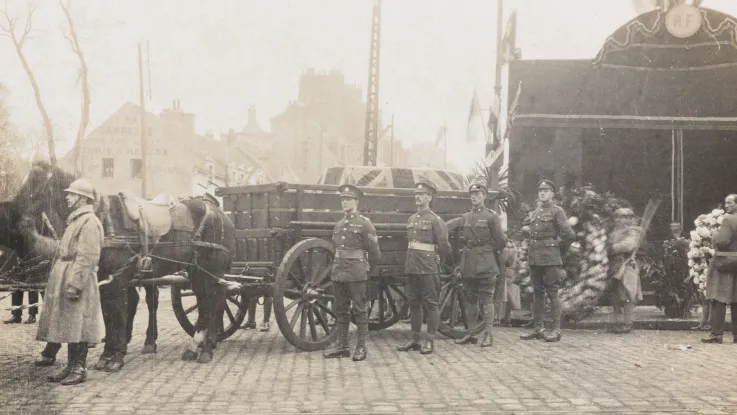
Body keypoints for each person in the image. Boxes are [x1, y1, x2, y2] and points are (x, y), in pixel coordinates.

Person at [35, 178, 105, 385]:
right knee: (69, 323)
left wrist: (75, 284)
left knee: (79, 323)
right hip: (66, 275)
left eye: (72, 194)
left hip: (78, 279)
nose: (67, 197)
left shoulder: (89, 222)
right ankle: (70, 365)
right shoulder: (76, 220)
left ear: (83, 199)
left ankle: (79, 368)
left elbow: (87, 257)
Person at [323, 184, 381, 361]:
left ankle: (361, 348)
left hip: (356, 272)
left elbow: (375, 253)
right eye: (342, 199)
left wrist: (366, 270)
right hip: (339, 272)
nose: (345, 202)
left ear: (356, 201)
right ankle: (342, 346)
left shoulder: (364, 224)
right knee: (340, 310)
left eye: (348, 199)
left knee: (360, 310)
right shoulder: (339, 225)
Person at [445, 180, 506, 347]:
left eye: (478, 194)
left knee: (486, 299)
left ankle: (488, 334)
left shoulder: (491, 217)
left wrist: (487, 251)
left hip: (486, 263)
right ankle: (471, 334)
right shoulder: (466, 217)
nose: (474, 197)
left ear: (484, 196)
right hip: (468, 263)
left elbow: (501, 240)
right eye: (472, 195)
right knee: (470, 300)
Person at [397, 180, 450, 355]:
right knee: (414, 304)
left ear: (429, 197)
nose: (418, 197)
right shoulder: (412, 219)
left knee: (431, 305)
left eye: (422, 194)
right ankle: (415, 340)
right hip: (412, 268)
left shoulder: (436, 220)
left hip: (428, 268)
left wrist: (436, 264)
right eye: (416, 194)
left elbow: (444, 246)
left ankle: (430, 341)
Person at [520, 180, 575, 343]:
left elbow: (570, 235)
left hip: (551, 258)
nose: (542, 193)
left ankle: (556, 329)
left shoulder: (557, 212)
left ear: (552, 194)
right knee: (537, 293)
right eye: (540, 191)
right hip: (535, 258)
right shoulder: (536, 212)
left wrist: (557, 250)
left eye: (546, 190)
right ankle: (538, 328)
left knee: (552, 292)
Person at [702, 194, 737, 344]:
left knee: (718, 297)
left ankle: (717, 334)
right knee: (736, 298)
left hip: (724, 261)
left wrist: (714, 234)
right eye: (725, 202)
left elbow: (722, 240)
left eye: (729, 202)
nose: (726, 205)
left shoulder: (729, 219)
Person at [606, 207, 643, 334]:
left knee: (627, 293)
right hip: (613, 266)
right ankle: (616, 322)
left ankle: (627, 323)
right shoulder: (614, 231)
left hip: (626, 266)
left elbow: (629, 245)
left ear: (629, 218)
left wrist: (611, 248)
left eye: (623, 217)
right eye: (617, 217)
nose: (619, 220)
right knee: (615, 295)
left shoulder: (633, 231)